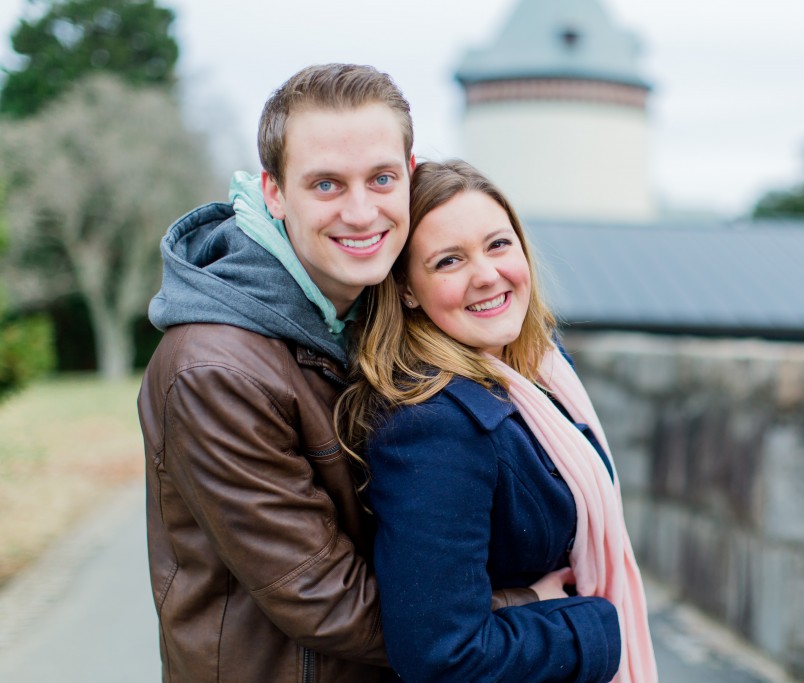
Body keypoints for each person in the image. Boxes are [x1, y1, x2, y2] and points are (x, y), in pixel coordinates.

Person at [137, 63, 415, 682]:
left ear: (410, 177)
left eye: (381, 178)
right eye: (326, 185)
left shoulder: (381, 311)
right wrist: (522, 613)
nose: (362, 211)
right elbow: (323, 599)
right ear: (274, 192)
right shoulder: (214, 369)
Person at [335, 159, 659, 682]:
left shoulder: (541, 371)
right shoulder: (431, 426)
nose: (486, 275)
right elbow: (444, 655)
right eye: (448, 261)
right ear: (407, 290)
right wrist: (597, 627)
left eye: (498, 244)